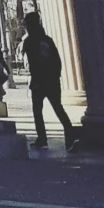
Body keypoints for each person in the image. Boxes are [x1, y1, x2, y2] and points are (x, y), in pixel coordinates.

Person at [21, 9, 79, 151]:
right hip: (52, 81)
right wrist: (55, 76)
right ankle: (70, 138)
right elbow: (56, 61)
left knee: (37, 111)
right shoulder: (47, 40)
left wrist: (36, 79)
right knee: (58, 109)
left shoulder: (29, 42)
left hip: (39, 81)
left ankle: (42, 139)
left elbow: (33, 63)